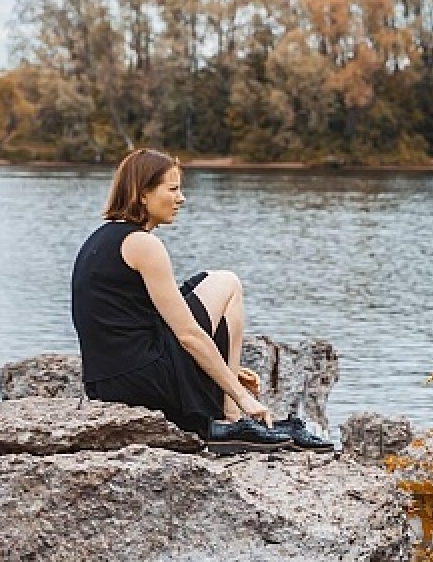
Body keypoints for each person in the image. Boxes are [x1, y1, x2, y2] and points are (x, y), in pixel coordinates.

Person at [71, 148, 331, 453]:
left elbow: (154, 317)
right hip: (141, 381)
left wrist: (226, 370)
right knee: (228, 283)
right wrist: (240, 394)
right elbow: (188, 334)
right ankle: (231, 419)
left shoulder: (102, 239)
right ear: (142, 194)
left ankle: (229, 419)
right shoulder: (143, 244)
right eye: (173, 189)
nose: (181, 198)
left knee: (209, 281)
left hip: (108, 383)